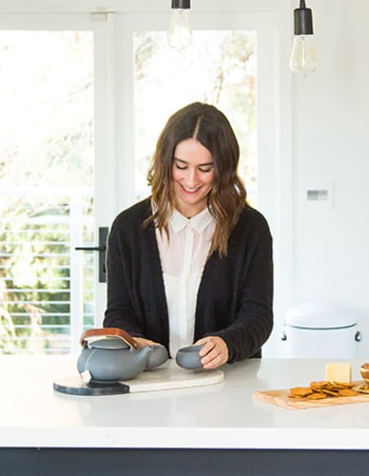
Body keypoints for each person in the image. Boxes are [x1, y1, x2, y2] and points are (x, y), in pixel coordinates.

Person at [103, 102, 273, 369]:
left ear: (224, 168)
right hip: (151, 383)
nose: (191, 181)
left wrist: (227, 344)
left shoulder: (251, 228)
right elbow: (118, 312)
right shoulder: (128, 228)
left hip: (230, 383)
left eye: (205, 169)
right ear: (164, 161)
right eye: (181, 166)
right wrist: (134, 341)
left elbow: (258, 316)